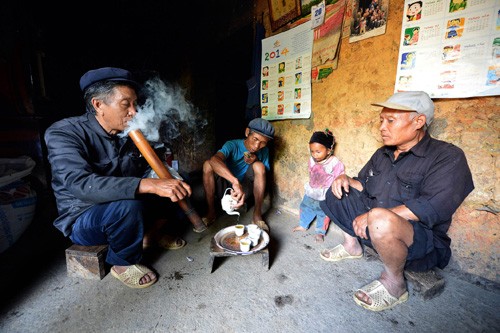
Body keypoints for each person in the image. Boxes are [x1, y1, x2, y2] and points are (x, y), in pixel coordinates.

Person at [319, 91, 474, 311]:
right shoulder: (383, 154)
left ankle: (394, 284)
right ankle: (352, 245)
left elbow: (433, 206)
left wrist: (374, 216)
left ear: (418, 121)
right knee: (336, 190)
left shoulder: (447, 156)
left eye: (391, 121)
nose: (382, 127)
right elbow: (364, 184)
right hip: (373, 228)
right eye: (381, 120)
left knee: (380, 220)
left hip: (419, 241)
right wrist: (345, 180)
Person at [44, 67, 196, 289]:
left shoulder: (128, 133)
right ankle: (122, 263)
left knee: (179, 183)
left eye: (135, 104)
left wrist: (165, 178)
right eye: (126, 104)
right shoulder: (64, 133)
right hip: (85, 216)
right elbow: (80, 184)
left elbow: (147, 172)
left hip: (126, 204)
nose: (134, 112)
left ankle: (150, 235)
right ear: (98, 105)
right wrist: (149, 184)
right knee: (128, 206)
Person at [202, 118, 275, 231]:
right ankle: (211, 212)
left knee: (259, 166)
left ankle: (257, 215)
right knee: (208, 164)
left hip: (246, 190)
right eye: (255, 139)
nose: (257, 146)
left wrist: (256, 160)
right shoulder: (232, 145)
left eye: (263, 143)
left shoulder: (264, 151)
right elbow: (214, 160)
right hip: (227, 187)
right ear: (247, 132)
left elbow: (263, 174)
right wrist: (234, 181)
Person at [292, 129, 345, 242]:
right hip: (312, 191)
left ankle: (320, 232)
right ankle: (303, 225)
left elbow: (339, 177)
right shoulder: (311, 160)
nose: (314, 155)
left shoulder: (334, 162)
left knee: (324, 214)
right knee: (305, 207)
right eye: (312, 151)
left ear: (329, 150)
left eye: (318, 152)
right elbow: (311, 172)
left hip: (325, 195)